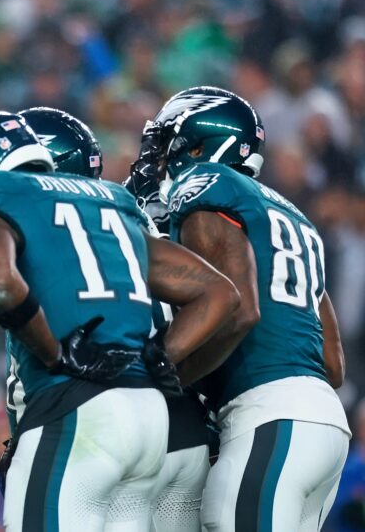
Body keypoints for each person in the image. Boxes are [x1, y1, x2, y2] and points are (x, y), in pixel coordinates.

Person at [0, 111, 237, 531]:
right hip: (151, 417)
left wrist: (55, 353)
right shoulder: (113, 202)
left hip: (76, 411)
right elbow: (220, 291)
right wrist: (160, 359)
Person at [145, 86, 350, 531]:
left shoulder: (207, 183)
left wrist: (161, 370)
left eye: (168, 145)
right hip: (326, 425)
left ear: (199, 147)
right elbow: (333, 365)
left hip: (269, 417)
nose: (159, 160)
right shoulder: (292, 213)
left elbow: (237, 308)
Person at [23, 106, 214, 532]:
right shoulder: (133, 211)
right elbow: (220, 296)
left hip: (87, 410)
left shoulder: (45, 221)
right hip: (175, 420)